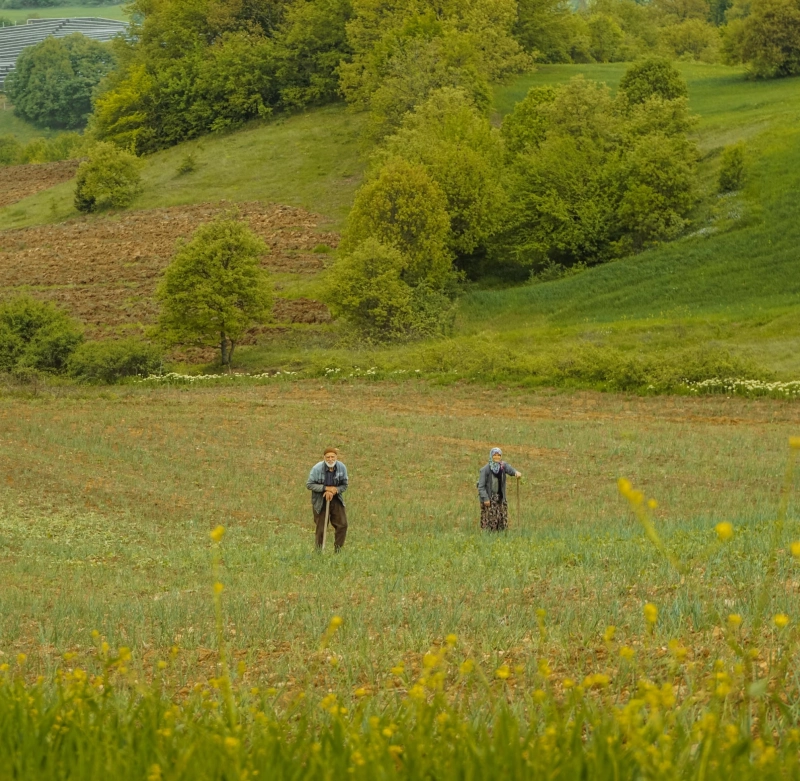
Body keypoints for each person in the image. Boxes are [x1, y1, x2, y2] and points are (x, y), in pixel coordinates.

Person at [306, 447, 348, 551]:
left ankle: (338, 550)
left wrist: (335, 490)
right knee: (321, 527)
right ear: (324, 458)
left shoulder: (342, 467)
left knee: (342, 524)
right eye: (328, 457)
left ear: (336, 457)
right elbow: (309, 484)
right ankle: (319, 552)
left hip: (336, 498)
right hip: (320, 500)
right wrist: (325, 489)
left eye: (332, 457)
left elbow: (344, 485)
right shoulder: (317, 468)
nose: (330, 459)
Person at [477, 447, 522, 531]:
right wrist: (485, 499)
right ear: (491, 456)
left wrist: (515, 472)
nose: (497, 457)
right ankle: (489, 536)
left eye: (499, 455)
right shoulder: (485, 469)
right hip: (490, 498)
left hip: (500, 497)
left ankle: (501, 535)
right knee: (490, 519)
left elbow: (510, 469)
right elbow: (481, 486)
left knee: (501, 518)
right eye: (495, 455)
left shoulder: (502, 466)